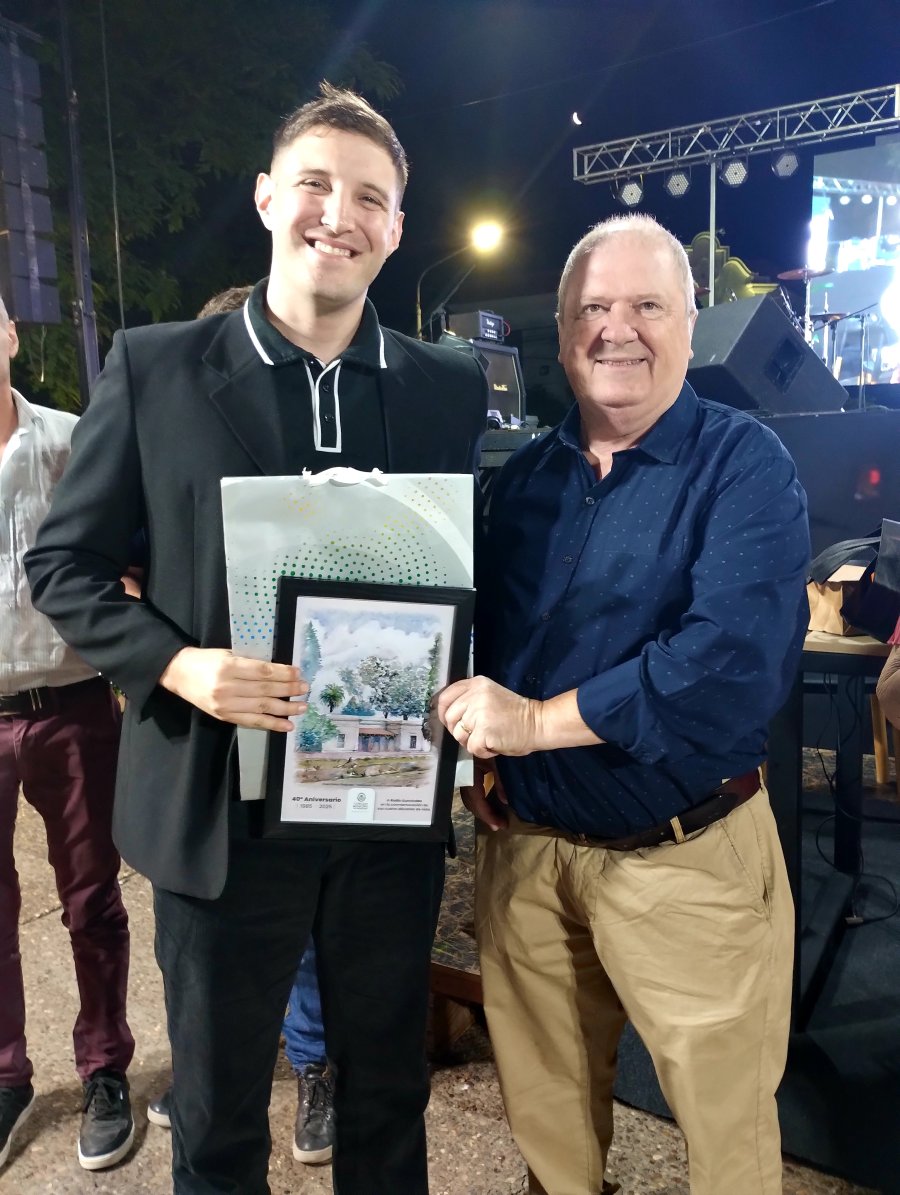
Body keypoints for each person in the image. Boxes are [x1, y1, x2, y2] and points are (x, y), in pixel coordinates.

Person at [26, 84, 486, 1194]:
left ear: (396, 229)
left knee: (386, 1095)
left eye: (370, 196)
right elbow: (62, 565)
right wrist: (181, 664)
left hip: (382, 808)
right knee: (223, 1108)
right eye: (318, 183)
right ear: (269, 195)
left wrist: (473, 706)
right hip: (218, 817)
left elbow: (472, 578)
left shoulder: (444, 388)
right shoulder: (155, 368)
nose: (341, 211)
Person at [437, 213, 810, 1195]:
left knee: (728, 1148)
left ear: (690, 321)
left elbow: (723, 664)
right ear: (562, 334)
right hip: (528, 856)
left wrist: (530, 723)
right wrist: (477, 753)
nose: (619, 328)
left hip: (688, 861)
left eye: (648, 304)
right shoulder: (518, 486)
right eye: (594, 307)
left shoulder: (745, 466)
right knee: (552, 1142)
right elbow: (473, 641)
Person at [145, 287, 337, 1168]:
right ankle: (212, 1081)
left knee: (307, 938)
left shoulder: (329, 455)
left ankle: (311, 1068)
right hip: (208, 768)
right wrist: (181, 661)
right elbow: (96, 567)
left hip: (314, 744)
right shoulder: (160, 413)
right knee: (213, 996)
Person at [0, 297, 134, 1173]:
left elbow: (123, 552)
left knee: (92, 897)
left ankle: (106, 1069)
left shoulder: (71, 439)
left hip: (72, 699)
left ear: (9, 334)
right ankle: (7, 1076)